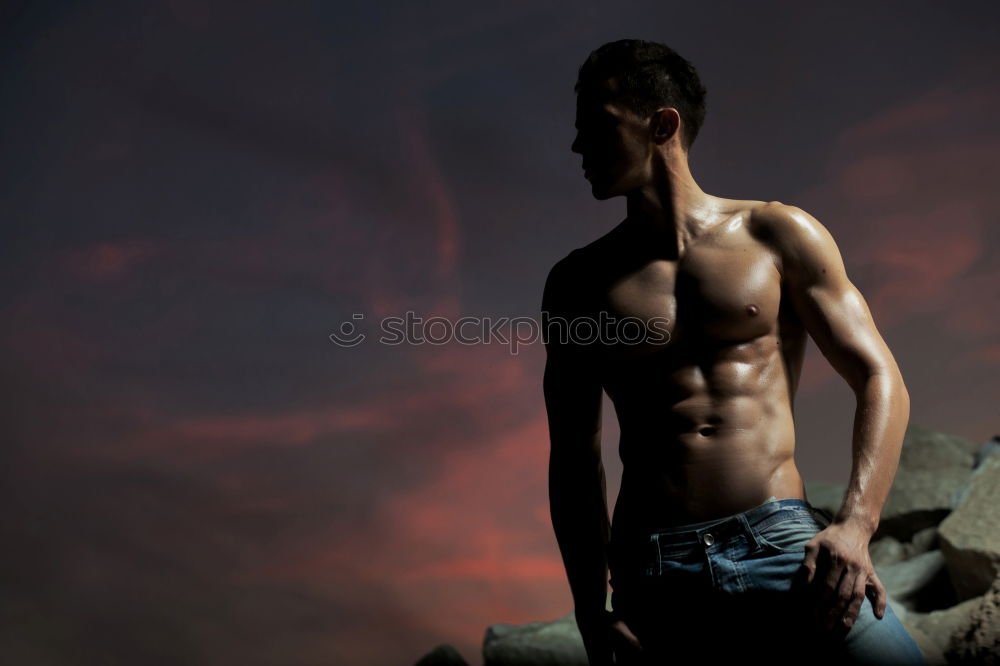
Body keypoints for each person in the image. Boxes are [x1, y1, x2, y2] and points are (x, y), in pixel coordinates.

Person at [541, 39, 928, 665]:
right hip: (656, 571)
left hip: (784, 546)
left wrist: (855, 526)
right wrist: (590, 607)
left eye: (599, 125)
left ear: (661, 123)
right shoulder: (577, 284)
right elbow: (575, 458)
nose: (579, 146)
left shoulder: (776, 233)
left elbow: (880, 376)